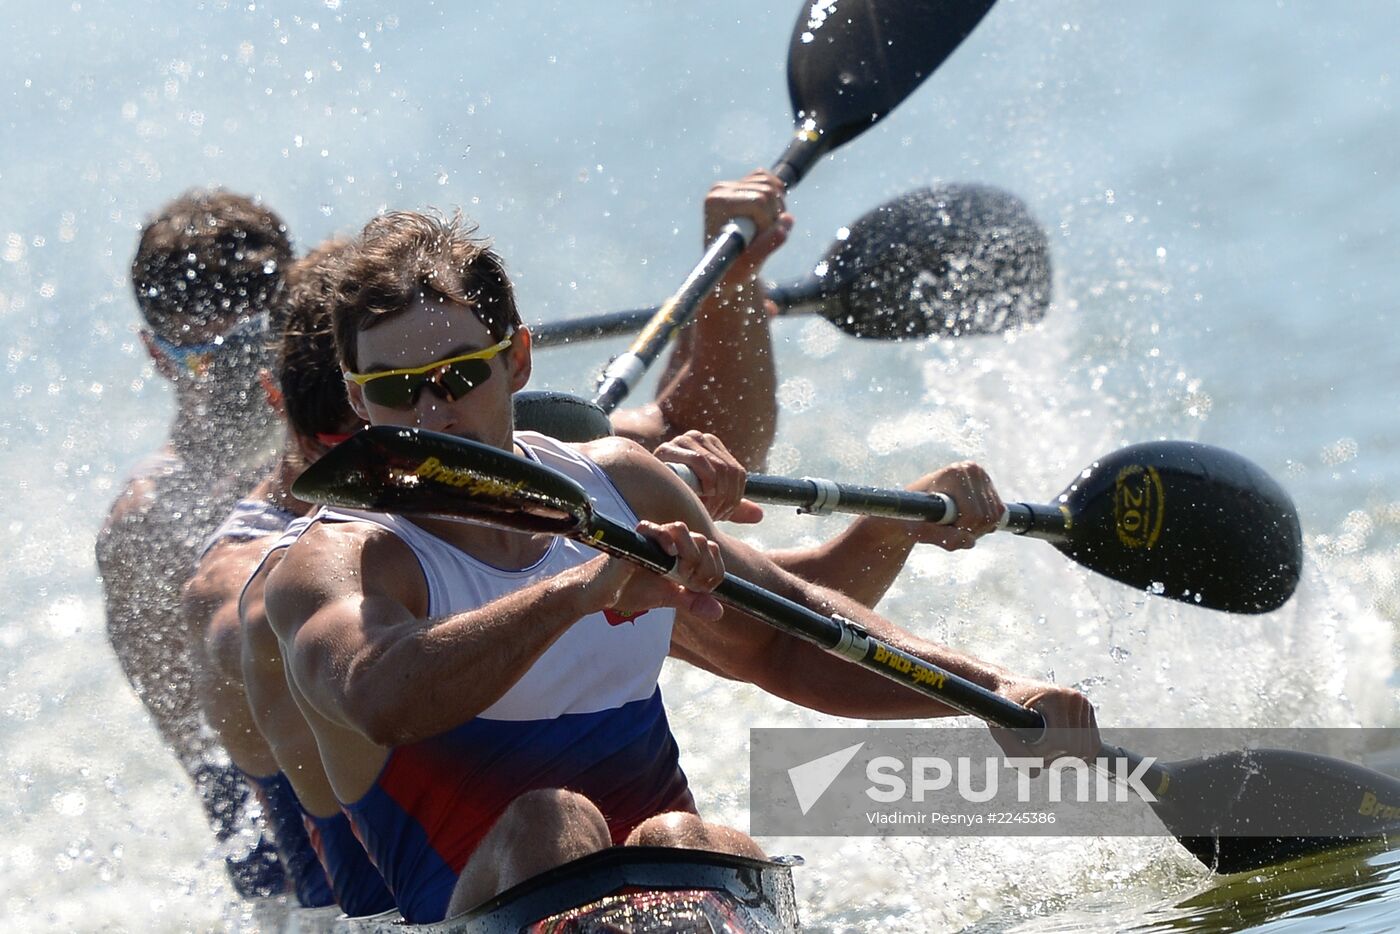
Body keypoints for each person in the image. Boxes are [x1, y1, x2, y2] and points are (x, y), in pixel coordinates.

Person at [258, 210, 1099, 924]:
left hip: (673, 907)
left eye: (458, 374)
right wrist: (579, 593)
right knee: (552, 827)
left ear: (515, 361)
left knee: (696, 842)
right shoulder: (342, 563)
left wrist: (999, 694)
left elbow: (783, 638)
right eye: (398, 390)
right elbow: (382, 699)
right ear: (358, 400)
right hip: (480, 909)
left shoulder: (621, 483)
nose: (434, 410)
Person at [180, 239, 397, 916]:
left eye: (395, 440)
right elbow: (250, 622)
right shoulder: (238, 568)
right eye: (348, 449)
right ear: (282, 404)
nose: (385, 475)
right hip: (340, 915)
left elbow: (673, 426)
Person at [96, 189, 289, 896]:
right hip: (284, 839)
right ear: (158, 355)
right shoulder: (142, 529)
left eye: (252, 347)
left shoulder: (372, 431)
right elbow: (219, 774)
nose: (241, 379)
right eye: (211, 357)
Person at [604, 168, 790, 469]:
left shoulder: (545, 436)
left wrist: (726, 292)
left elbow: (711, 450)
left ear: (519, 360)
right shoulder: (533, 433)